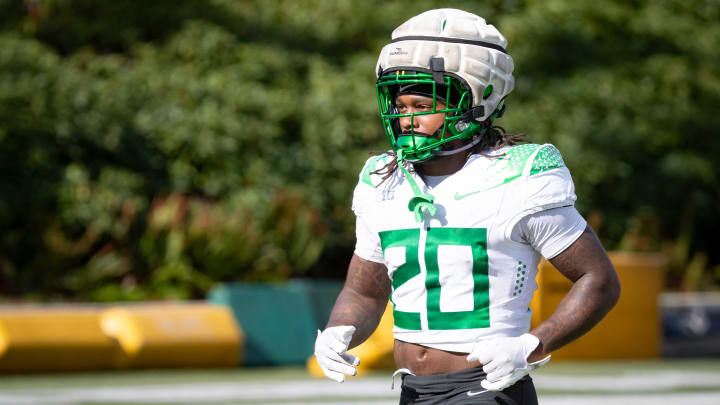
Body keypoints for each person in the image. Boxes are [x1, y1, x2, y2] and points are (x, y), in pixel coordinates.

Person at [314, 8, 621, 405]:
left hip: (486, 389)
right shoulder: (382, 179)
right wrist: (340, 329)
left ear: (478, 97)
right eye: (400, 105)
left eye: (421, 105)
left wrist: (532, 345)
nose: (406, 118)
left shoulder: (520, 176)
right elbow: (365, 292)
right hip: (411, 390)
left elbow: (598, 280)